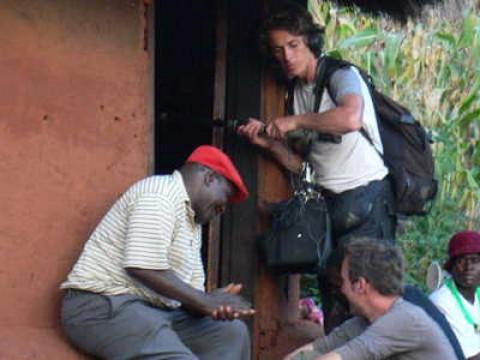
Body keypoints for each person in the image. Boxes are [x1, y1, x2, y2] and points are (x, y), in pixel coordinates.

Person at [237, 1, 396, 332]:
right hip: (332, 206)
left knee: (370, 300)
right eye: (278, 50)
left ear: (309, 41)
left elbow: (350, 118)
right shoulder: (297, 93)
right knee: (336, 300)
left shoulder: (340, 75)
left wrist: (293, 122)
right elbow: (305, 166)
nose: (287, 57)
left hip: (367, 202)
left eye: (293, 45)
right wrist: (268, 144)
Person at [60, 145, 254, 360]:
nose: (222, 209)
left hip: (155, 310)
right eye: (224, 197)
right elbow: (143, 267)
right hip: (102, 305)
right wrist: (203, 300)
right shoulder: (160, 193)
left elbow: (189, 298)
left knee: (231, 333)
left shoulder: (192, 223)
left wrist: (215, 303)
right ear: (209, 178)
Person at [284, 238, 457, 360]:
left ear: (360, 285)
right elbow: (319, 348)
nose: (341, 289)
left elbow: (346, 356)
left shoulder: (405, 319)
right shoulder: (364, 321)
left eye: (343, 281)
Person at [429, 230, 480, 360]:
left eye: (475, 260)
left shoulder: (477, 294)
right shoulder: (442, 301)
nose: (469, 267)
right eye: (461, 261)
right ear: (451, 267)